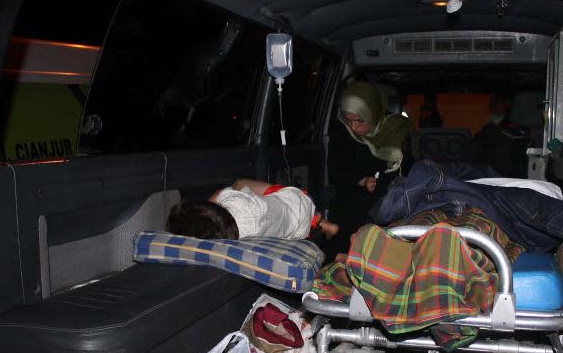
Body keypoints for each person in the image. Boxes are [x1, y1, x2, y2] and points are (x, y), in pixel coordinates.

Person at [324, 80, 418, 259]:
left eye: (359, 120)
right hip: (350, 202)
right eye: (348, 119)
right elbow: (336, 172)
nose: (353, 127)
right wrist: (360, 180)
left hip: (387, 202)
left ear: (372, 113)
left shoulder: (395, 129)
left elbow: (408, 172)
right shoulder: (342, 133)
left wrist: (384, 181)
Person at [167, 178, 339, 240]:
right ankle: (323, 220)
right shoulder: (233, 201)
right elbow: (220, 194)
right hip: (297, 200)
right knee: (240, 183)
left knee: (279, 215)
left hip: (300, 230)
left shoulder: (237, 237)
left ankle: (320, 223)